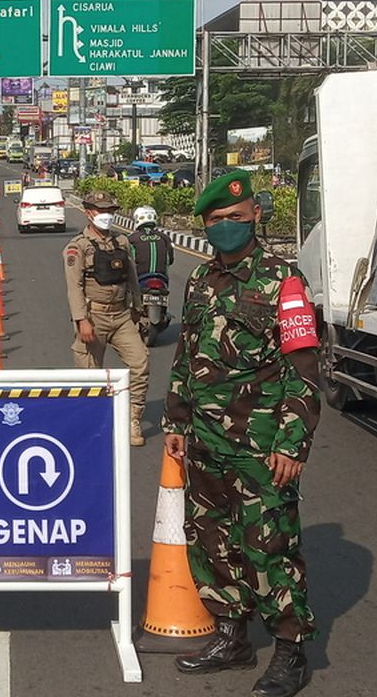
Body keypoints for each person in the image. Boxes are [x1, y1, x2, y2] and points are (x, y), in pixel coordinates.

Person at [162, 170, 320, 697]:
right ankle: (231, 636)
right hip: (206, 440)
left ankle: (291, 652)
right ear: (205, 227)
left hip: (261, 445)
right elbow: (187, 354)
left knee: (269, 544)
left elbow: (304, 368)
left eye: (236, 216)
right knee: (211, 540)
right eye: (216, 221)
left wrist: (292, 444)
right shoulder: (201, 279)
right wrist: (176, 421)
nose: (227, 226)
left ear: (254, 214)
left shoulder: (283, 280)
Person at [62, 191, 149, 446]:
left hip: (121, 314)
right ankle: (94, 422)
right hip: (94, 315)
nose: (107, 216)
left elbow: (131, 275)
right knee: (90, 374)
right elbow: (74, 286)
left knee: (140, 362)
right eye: (102, 211)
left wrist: (138, 306)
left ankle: (133, 418)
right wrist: (81, 320)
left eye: (110, 210)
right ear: (89, 212)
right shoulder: (77, 247)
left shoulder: (121, 241)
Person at [128, 205, 175, 281]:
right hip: (161, 278)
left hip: (138, 279)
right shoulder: (164, 237)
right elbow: (170, 260)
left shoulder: (131, 238)